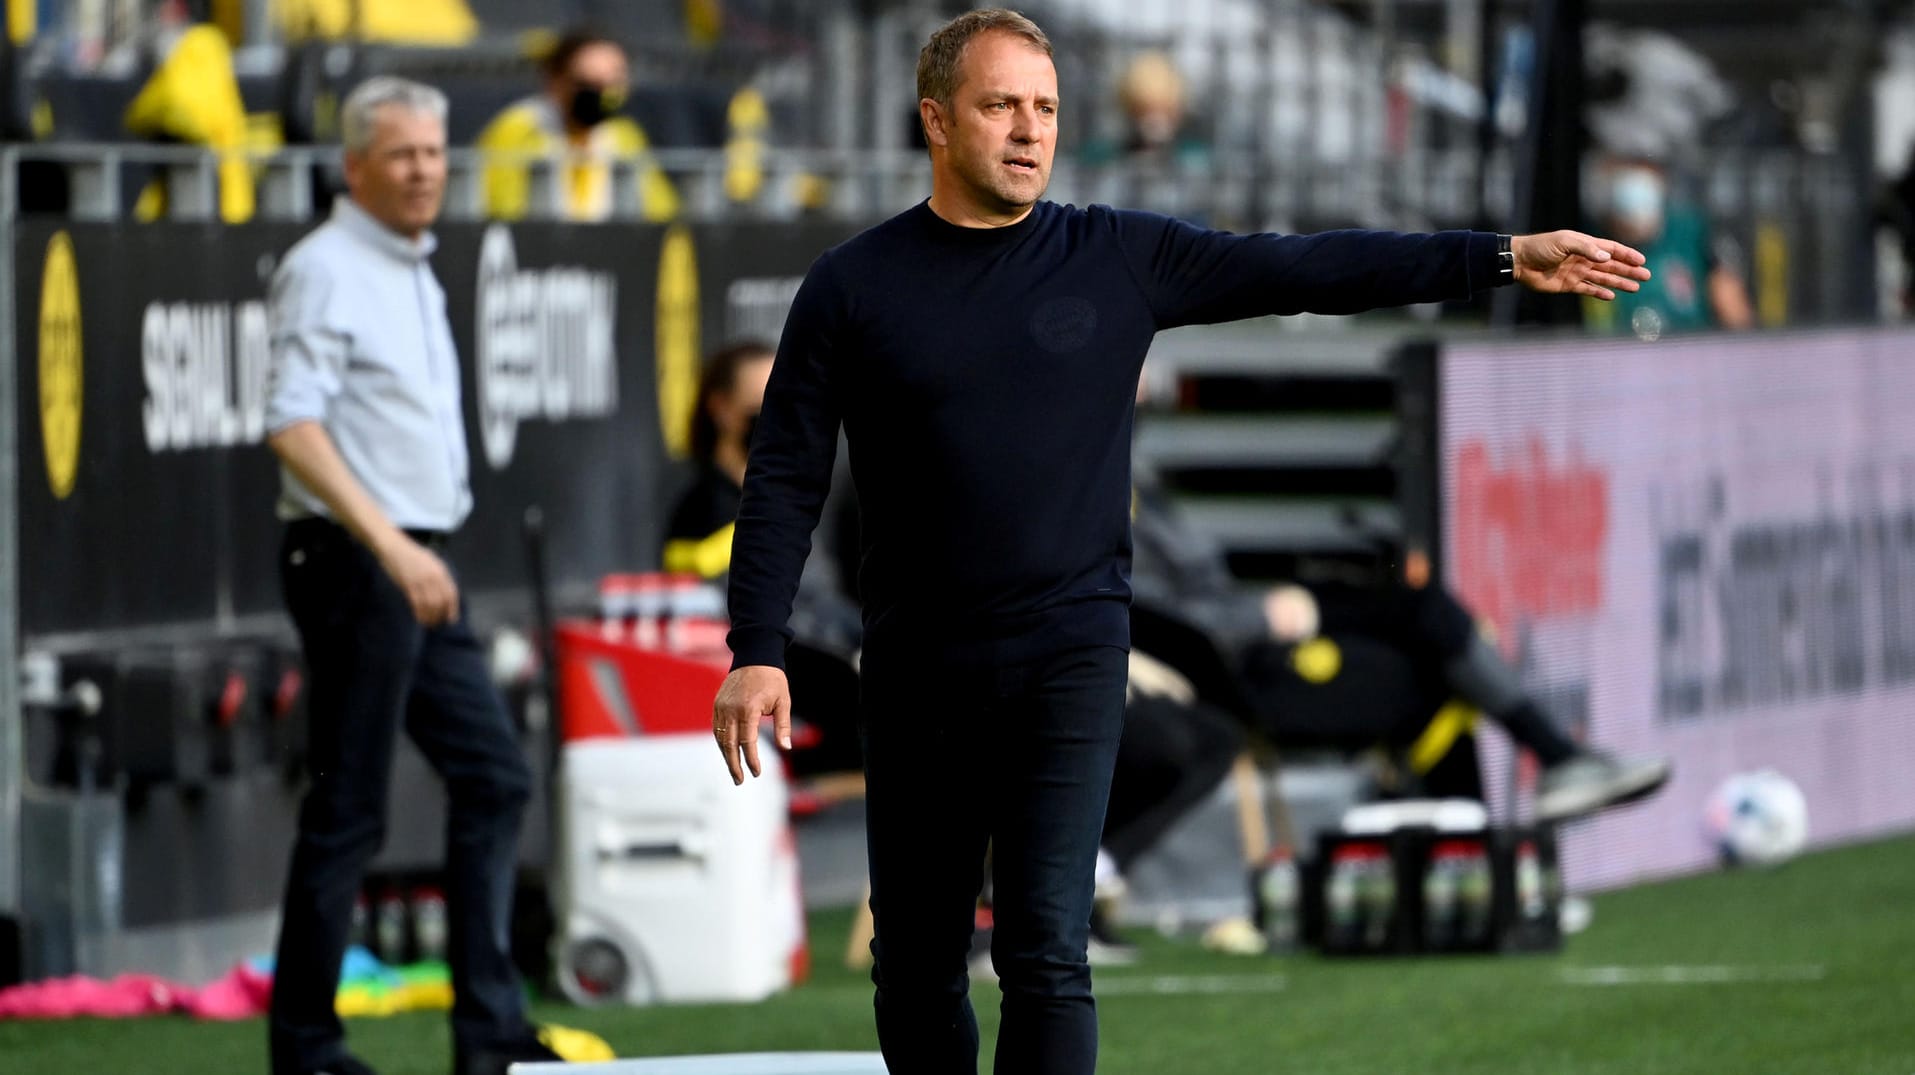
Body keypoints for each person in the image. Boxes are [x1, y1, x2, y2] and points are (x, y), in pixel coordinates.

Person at [710, 10, 1650, 1073]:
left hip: (1068, 655)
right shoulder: (853, 283)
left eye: (1045, 108)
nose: (1028, 130)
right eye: (999, 105)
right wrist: (757, 647)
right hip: (918, 666)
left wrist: (1500, 257)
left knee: (1043, 951)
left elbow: (1306, 267)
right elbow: (783, 475)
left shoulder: (1116, 255)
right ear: (935, 120)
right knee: (917, 963)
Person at [261, 76, 560, 1075]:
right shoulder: (326, 268)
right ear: (354, 166)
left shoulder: (410, 262)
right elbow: (291, 424)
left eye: (434, 153)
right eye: (402, 154)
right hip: (360, 559)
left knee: (494, 773)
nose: (425, 170)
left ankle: (490, 1035)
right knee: (348, 806)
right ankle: (306, 1048)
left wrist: (408, 551)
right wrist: (390, 545)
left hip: (410, 559)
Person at [1126, 455, 1671, 822]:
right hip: (1225, 666)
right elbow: (1160, 620)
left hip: (1241, 633)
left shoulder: (1135, 482)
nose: (1146, 382)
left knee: (1424, 619)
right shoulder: (1099, 496)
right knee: (1431, 657)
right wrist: (1258, 619)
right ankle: (1539, 780)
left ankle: (1536, 790)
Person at [477, 27, 681, 223]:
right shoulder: (520, 129)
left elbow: (661, 215)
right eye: (587, 83)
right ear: (555, 79)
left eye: (613, 83)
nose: (603, 95)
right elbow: (497, 209)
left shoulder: (624, 136)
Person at [1584, 155, 1752, 339]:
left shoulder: (1691, 231)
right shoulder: (1589, 244)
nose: (1637, 203)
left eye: (1643, 191)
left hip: (1692, 353)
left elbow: (1732, 306)